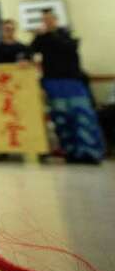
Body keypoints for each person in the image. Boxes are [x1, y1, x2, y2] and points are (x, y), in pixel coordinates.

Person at [32, 9, 106, 163]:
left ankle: (89, 153)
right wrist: (38, 36)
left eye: (50, 19)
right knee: (60, 118)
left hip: (73, 82)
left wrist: (49, 34)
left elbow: (69, 48)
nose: (48, 22)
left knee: (82, 116)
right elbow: (31, 51)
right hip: (53, 82)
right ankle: (70, 152)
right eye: (45, 19)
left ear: (55, 20)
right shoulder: (42, 38)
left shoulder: (66, 34)